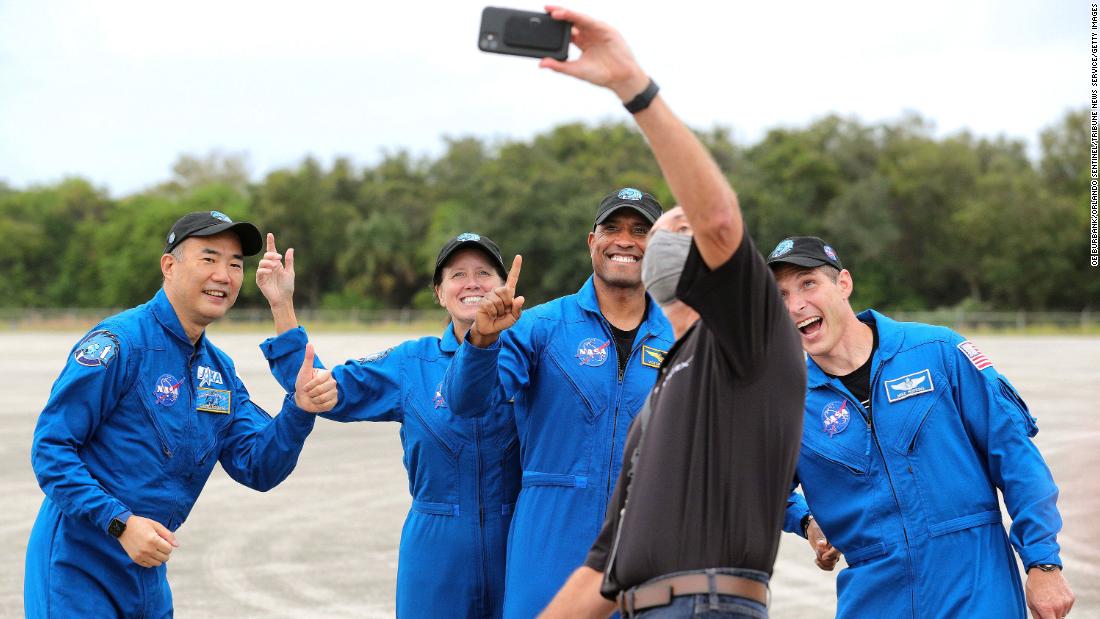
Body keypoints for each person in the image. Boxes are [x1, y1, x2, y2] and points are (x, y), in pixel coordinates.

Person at [518, 8, 805, 616]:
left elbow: (720, 220)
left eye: (674, 227)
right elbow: (604, 568)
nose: (657, 238)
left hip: (705, 604)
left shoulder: (748, 341)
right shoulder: (666, 386)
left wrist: (634, 89)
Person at [25, 210, 337, 618]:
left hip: (146, 568)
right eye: (209, 258)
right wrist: (118, 522)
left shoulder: (218, 372)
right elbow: (51, 448)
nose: (223, 275)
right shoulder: (120, 344)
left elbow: (258, 466)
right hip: (79, 563)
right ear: (169, 266)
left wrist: (298, 409)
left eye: (235, 264)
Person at [768, 236, 1076, 619]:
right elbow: (758, 490)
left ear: (843, 284)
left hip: (976, 591)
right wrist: (807, 521)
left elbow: (1014, 457)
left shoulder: (938, 353)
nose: (795, 305)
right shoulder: (787, 401)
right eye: (780, 296)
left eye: (808, 283)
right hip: (874, 600)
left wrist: (1042, 562)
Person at [255, 232, 521, 618]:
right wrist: (282, 306)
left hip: (516, 540)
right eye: (458, 275)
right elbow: (320, 388)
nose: (472, 283)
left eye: (484, 273)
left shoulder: (529, 356)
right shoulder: (411, 362)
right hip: (434, 549)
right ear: (439, 292)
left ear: (504, 286)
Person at [441, 190, 675, 616]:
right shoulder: (538, 327)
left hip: (647, 548)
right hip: (549, 544)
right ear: (591, 242)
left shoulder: (682, 340)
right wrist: (482, 340)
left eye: (641, 231)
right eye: (612, 229)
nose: (625, 240)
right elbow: (466, 403)